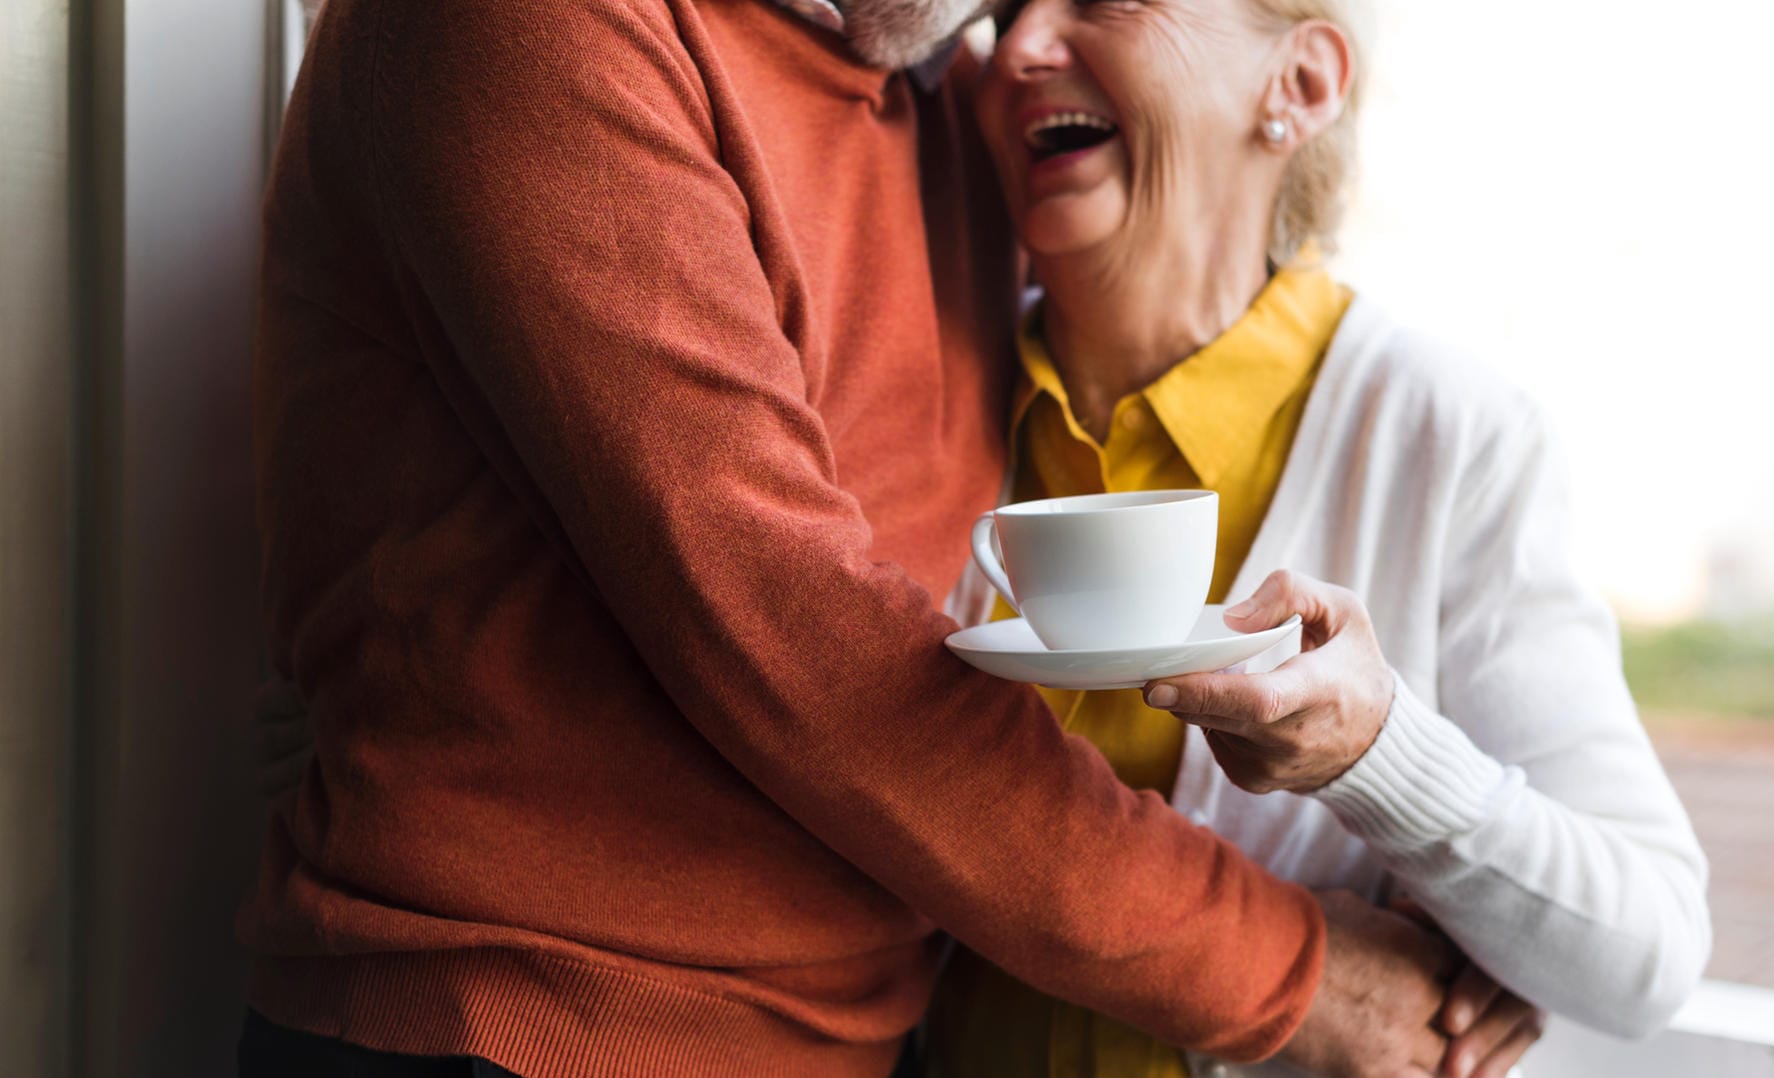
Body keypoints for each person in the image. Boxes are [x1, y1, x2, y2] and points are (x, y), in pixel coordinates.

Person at [239, 0, 1473, 1074]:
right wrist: (1290, 972)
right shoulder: (533, 25)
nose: (1028, 33)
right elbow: (810, 649)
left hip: (871, 1033)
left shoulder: (941, 88)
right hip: (516, 1021)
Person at [926, 0, 1713, 1074]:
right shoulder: (923, 393)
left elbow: (1649, 953)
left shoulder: (1446, 435)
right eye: (1005, 9)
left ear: (1297, 84)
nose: (1016, 48)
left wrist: (1381, 755)